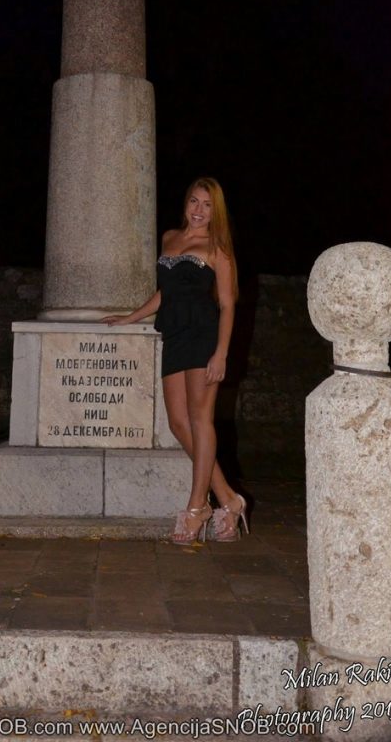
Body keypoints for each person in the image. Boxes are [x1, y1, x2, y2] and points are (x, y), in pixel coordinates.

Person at [102, 177, 248, 545]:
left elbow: (228, 304)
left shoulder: (217, 247)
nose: (199, 210)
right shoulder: (169, 238)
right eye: (194, 201)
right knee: (178, 422)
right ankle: (229, 499)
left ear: (216, 212)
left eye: (207, 205)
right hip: (175, 336)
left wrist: (221, 353)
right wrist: (130, 317)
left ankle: (198, 505)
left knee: (200, 419)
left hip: (203, 336)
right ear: (186, 203)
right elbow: (165, 293)